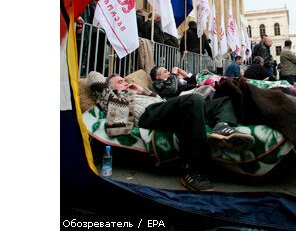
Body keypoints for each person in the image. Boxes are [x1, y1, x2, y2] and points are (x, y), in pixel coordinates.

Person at [105, 73, 255, 191]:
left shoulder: (139, 91)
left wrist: (143, 90)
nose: (125, 83)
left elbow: (159, 99)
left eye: (124, 80)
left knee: (224, 99)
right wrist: (117, 91)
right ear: (110, 88)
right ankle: (192, 168)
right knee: (194, 99)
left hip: (164, 106)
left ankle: (222, 126)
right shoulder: (115, 98)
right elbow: (95, 81)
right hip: (149, 114)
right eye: (120, 82)